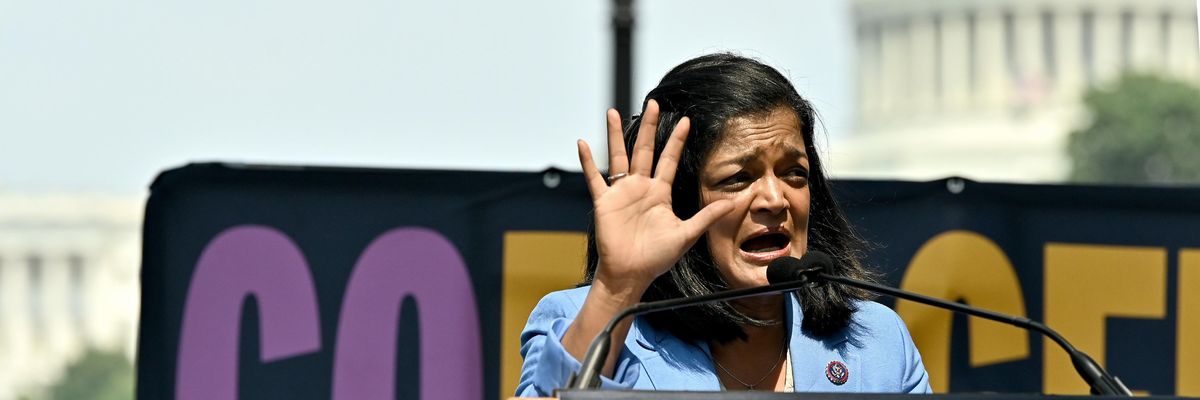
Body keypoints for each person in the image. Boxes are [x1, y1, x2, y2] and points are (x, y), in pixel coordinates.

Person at [516, 53, 930, 395]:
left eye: (794, 173)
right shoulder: (585, 321)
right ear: (679, 203)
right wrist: (617, 289)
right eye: (738, 178)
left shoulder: (877, 342)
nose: (774, 199)